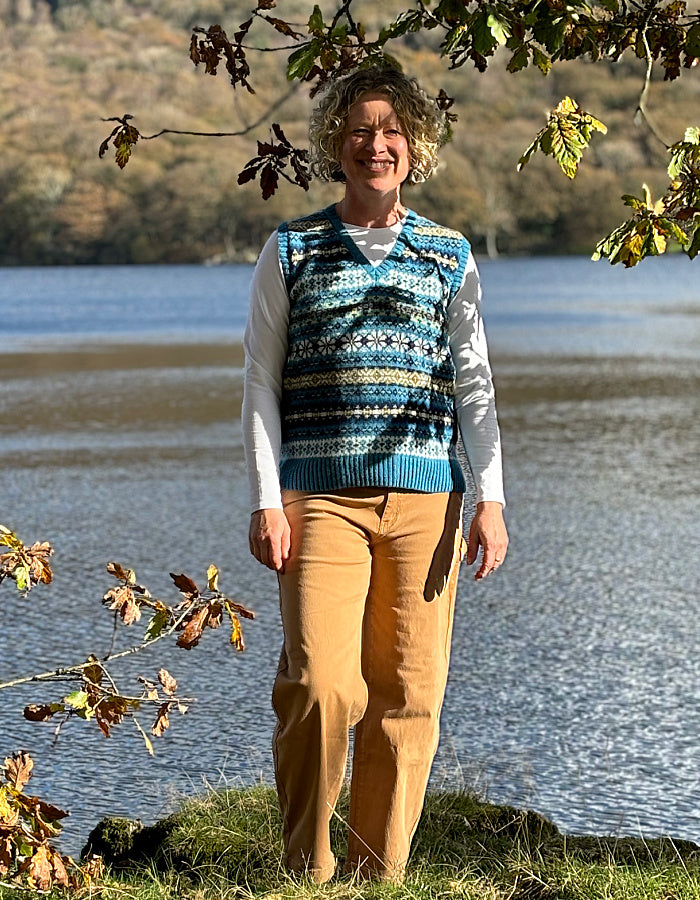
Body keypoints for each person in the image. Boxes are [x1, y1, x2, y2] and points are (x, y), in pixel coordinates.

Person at [242, 64, 508, 883]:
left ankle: (376, 875)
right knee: (321, 685)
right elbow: (259, 380)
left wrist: (490, 499)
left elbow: (474, 382)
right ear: (336, 143)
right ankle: (307, 869)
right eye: (359, 128)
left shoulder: (447, 254)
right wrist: (266, 500)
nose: (376, 143)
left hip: (428, 499)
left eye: (392, 129)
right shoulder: (291, 249)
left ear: (415, 144)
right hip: (319, 497)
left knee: (409, 695)